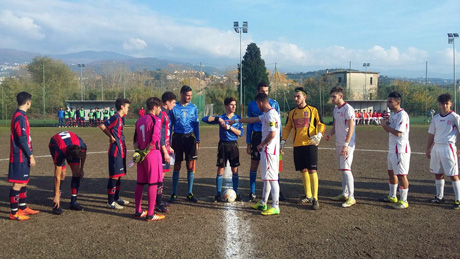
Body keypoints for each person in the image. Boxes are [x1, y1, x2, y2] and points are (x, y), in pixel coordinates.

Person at [229, 93, 281, 215]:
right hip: (266, 151)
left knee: (273, 179)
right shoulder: (267, 114)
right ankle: (263, 203)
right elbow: (253, 119)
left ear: (261, 103)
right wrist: (236, 121)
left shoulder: (272, 115)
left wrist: (262, 144)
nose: (257, 107)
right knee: (267, 179)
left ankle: (275, 206)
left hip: (270, 151)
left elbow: (273, 134)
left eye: (257, 104)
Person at [281, 87, 325, 210]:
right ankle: (308, 195)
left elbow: (321, 124)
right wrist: (283, 140)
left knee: (312, 170)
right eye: (294, 96)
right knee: (303, 170)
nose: (295, 99)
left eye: (298, 96)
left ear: (304, 97)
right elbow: (287, 127)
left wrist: (320, 134)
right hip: (297, 145)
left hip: (310, 144)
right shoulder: (292, 112)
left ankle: (315, 198)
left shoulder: (313, 110)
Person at [246, 82, 284, 201]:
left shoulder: (273, 106)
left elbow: (277, 127)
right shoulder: (253, 105)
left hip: (270, 140)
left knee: (273, 169)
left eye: (266, 91)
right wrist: (248, 142)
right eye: (262, 91)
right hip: (257, 136)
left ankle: (276, 197)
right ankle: (254, 193)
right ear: (258, 91)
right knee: (256, 165)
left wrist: (281, 141)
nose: (265, 93)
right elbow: (251, 122)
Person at [202, 97, 244, 202]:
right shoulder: (222, 117)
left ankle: (236, 192)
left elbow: (241, 133)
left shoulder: (237, 118)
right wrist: (217, 119)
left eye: (235, 104)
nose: (234, 106)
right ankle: (218, 194)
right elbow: (204, 119)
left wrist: (229, 128)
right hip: (223, 146)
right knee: (220, 169)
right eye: (231, 104)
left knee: (235, 169)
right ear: (226, 106)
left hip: (234, 145)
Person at [133, 97, 165, 221]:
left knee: (140, 183)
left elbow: (135, 140)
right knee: (153, 183)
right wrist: (147, 151)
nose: (160, 110)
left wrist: (138, 153)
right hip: (152, 154)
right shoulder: (156, 120)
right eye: (159, 108)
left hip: (140, 155)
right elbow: (154, 138)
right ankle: (151, 214)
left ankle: (138, 211)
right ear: (154, 107)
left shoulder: (139, 120)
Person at [426, 93, 460, 209]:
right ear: (439, 105)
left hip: (448, 147)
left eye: (447, 103)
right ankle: (439, 197)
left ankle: (458, 199)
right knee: (438, 173)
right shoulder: (435, 118)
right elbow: (431, 134)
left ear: (451, 104)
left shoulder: (455, 117)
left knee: (453, 174)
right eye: (442, 104)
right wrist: (428, 148)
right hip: (436, 148)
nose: (445, 106)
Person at [8, 92, 39, 221]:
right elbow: (21, 139)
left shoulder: (21, 116)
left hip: (23, 156)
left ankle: (23, 207)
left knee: (24, 182)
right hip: (19, 156)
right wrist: (30, 155)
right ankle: (14, 213)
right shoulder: (19, 117)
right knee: (17, 183)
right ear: (28, 102)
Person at [378, 92, 411, 209]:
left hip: (400, 149)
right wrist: (387, 124)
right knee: (391, 172)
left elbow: (398, 132)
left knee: (401, 175)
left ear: (398, 102)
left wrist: (383, 125)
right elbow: (390, 130)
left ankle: (404, 200)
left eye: (390, 102)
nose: (388, 104)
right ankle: (392, 196)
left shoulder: (403, 115)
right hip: (392, 148)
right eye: (387, 101)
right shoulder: (393, 115)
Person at [325, 87, 357, 208]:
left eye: (334, 96)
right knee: (343, 169)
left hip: (347, 143)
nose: (332, 99)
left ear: (341, 96)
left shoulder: (348, 109)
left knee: (346, 169)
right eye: (331, 96)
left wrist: (346, 144)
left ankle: (352, 197)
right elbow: (335, 126)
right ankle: (345, 193)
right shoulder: (335, 109)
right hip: (339, 142)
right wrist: (330, 134)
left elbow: (351, 128)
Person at [168, 85, 200, 203]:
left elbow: (196, 125)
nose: (189, 98)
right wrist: (168, 142)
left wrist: (197, 140)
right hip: (177, 138)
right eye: (187, 95)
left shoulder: (194, 108)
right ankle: (174, 193)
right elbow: (169, 125)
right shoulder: (174, 107)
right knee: (177, 165)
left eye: (191, 96)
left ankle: (190, 193)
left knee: (190, 166)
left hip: (190, 138)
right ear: (181, 94)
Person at [100, 98, 131, 209]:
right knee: (114, 176)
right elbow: (102, 126)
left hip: (121, 151)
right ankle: (110, 202)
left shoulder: (121, 119)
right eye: (127, 107)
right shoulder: (115, 117)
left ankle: (117, 198)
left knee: (119, 176)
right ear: (122, 107)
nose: (128, 109)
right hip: (115, 151)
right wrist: (111, 136)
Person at [49, 131, 87, 215]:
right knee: (62, 173)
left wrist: (81, 168)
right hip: (55, 144)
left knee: (76, 172)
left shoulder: (81, 145)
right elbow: (57, 176)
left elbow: (83, 155)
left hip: (70, 145)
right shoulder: (60, 152)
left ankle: (73, 202)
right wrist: (56, 195)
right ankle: (56, 204)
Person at [154, 91, 176, 213]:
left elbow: (165, 133)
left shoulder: (165, 114)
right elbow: (159, 134)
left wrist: (169, 147)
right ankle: (158, 202)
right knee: (160, 177)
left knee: (163, 176)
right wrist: (164, 150)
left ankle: (160, 200)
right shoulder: (161, 114)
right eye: (173, 102)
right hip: (161, 151)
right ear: (166, 102)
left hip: (166, 149)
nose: (174, 105)